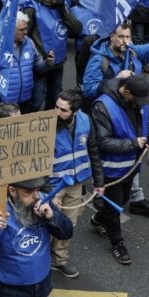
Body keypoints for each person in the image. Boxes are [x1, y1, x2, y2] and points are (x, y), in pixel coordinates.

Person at [90, 76, 149, 264]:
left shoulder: (139, 99)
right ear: (127, 92)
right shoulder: (102, 107)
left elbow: (148, 119)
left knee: (124, 198)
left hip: (132, 165)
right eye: (138, 100)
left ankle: (97, 219)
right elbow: (103, 142)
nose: (141, 104)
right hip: (112, 169)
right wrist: (133, 143)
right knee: (114, 208)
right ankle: (117, 244)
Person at [49, 90, 104, 278]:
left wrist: (99, 182)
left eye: (63, 110)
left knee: (68, 224)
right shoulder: (46, 126)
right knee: (46, 223)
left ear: (75, 111)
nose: (57, 113)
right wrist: (48, 192)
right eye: (56, 107)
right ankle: (39, 260)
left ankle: (59, 261)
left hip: (75, 183)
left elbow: (93, 151)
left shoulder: (86, 121)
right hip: (52, 185)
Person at [82, 13, 149, 101]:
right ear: (111, 37)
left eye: (127, 37)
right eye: (121, 37)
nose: (125, 41)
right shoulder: (99, 59)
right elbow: (89, 90)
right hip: (109, 108)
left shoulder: (132, 51)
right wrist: (115, 80)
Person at [22, 0, 82, 110]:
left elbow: (76, 30)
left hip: (58, 63)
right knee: (37, 102)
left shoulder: (61, 7)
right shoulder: (32, 9)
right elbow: (24, 36)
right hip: (40, 64)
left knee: (54, 99)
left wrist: (64, 12)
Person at [0, 12, 46, 112]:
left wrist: (47, 63)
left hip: (25, 101)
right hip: (2, 105)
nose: (26, 32)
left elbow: (38, 67)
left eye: (26, 28)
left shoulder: (29, 43)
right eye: (22, 30)